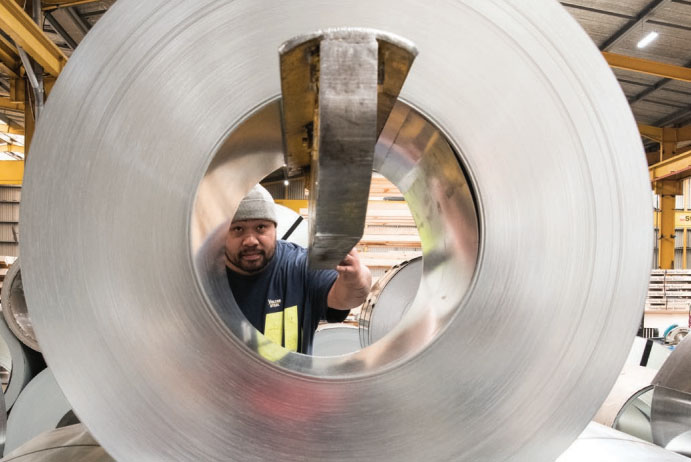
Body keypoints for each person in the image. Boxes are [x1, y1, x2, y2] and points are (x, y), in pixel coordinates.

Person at [225, 184, 372, 355]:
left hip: (288, 381)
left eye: (260, 227)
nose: (250, 240)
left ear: (274, 228)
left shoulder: (299, 266)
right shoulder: (201, 276)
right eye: (238, 228)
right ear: (223, 232)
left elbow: (346, 298)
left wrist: (355, 277)